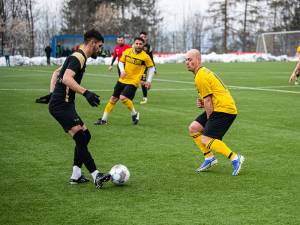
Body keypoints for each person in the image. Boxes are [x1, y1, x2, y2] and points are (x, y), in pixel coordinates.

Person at [48, 29, 111, 189]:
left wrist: (51, 93)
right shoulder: (79, 57)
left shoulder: (77, 56)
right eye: (99, 46)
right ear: (92, 43)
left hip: (64, 104)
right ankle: (96, 175)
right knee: (81, 138)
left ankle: (76, 175)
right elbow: (67, 78)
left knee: (85, 135)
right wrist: (86, 92)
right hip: (61, 105)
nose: (100, 49)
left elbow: (57, 73)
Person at [185, 49, 244, 176]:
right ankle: (209, 158)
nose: (187, 62)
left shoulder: (201, 75)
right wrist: (203, 105)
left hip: (224, 109)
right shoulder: (202, 72)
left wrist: (209, 121)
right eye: (186, 60)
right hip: (219, 107)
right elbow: (208, 99)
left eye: (190, 59)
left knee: (206, 139)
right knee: (194, 128)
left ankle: (235, 158)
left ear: (198, 60)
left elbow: (208, 101)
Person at [94, 37, 155, 125]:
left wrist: (149, 81)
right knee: (113, 99)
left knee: (123, 97)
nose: (138, 45)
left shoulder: (145, 56)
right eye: (136, 43)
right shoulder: (127, 52)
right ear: (133, 44)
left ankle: (134, 113)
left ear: (143, 45)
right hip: (122, 79)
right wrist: (122, 71)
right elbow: (121, 62)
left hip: (133, 81)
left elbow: (152, 68)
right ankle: (104, 120)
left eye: (140, 44)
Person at [139, 31, 156, 104]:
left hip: (144, 66)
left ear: (146, 38)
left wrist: (154, 68)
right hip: (135, 66)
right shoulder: (136, 45)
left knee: (142, 81)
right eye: (141, 37)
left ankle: (145, 98)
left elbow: (151, 58)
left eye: (144, 37)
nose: (142, 38)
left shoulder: (149, 47)